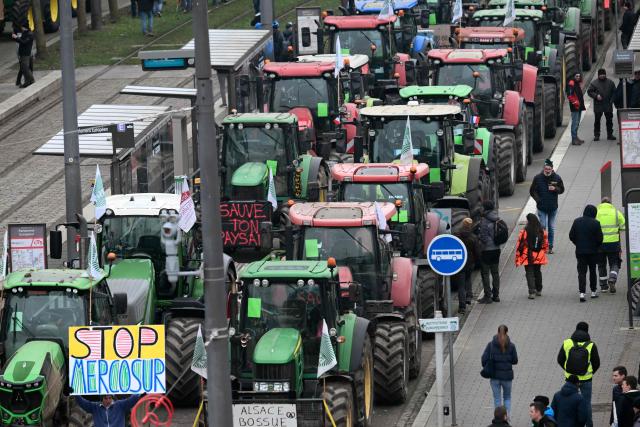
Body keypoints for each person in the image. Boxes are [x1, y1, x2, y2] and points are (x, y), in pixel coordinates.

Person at [557, 321, 601, 427]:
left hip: (570, 379)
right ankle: (589, 424)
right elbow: (596, 363)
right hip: (586, 379)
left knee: (569, 400)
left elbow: (560, 359)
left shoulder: (567, 342)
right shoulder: (591, 345)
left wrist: (568, 369)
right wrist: (589, 372)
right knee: (586, 403)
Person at [569, 205, 604, 301]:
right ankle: (593, 292)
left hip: (580, 252)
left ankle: (582, 293)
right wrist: (596, 246)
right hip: (593, 252)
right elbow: (600, 239)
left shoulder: (577, 221)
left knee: (581, 272)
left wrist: (578, 243)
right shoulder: (596, 223)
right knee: (593, 271)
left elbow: (571, 236)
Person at [481, 325, 518, 416]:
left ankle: (498, 419)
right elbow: (515, 361)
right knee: (507, 397)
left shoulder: (491, 345)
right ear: (507, 332)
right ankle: (507, 419)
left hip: (494, 377)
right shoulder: (512, 346)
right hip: (507, 377)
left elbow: (483, 359)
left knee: (497, 399)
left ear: (497, 332)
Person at [529, 159, 564, 253]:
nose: (547, 170)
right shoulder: (538, 178)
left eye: (549, 169)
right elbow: (532, 191)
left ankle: (550, 246)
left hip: (553, 207)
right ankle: (543, 245)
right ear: (544, 169)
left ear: (552, 169)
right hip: (542, 207)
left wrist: (555, 188)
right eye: (546, 169)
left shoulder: (557, 178)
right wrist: (538, 200)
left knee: (551, 228)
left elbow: (562, 190)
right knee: (543, 226)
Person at [515, 213, 548, 299]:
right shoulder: (541, 230)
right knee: (538, 272)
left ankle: (531, 292)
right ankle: (539, 289)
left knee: (529, 273)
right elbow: (545, 243)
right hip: (539, 255)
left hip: (528, 255)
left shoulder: (525, 230)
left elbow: (520, 243)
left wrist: (518, 255)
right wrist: (543, 251)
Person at [596, 197, 626, 293]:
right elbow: (623, 226)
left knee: (601, 264)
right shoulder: (616, 212)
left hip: (599, 244)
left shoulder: (596, 212)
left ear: (601, 203)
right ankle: (612, 279)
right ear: (610, 203)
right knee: (615, 263)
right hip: (613, 243)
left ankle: (603, 286)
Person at [453, 217, 480, 314]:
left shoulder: (456, 236)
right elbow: (477, 251)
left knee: (461, 285)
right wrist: (477, 261)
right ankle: (469, 296)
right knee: (468, 279)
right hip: (470, 262)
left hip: (459, 262)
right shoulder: (473, 237)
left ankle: (462, 307)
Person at [477, 200, 501, 304]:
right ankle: (496, 295)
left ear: (485, 208)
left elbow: (483, 236)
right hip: (497, 249)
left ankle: (487, 296)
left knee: (485, 273)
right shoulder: (496, 217)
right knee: (495, 273)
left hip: (487, 250)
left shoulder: (484, 220)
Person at [75, 394, 143, 427]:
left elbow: (132, 400)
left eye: (110, 398)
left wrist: (140, 391)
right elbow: (82, 403)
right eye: (105, 398)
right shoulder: (95, 407)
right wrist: (75, 394)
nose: (108, 400)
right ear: (102, 399)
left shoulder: (120, 405)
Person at [587, 69, 617, 141]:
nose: (602, 76)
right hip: (598, 105)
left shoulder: (610, 82)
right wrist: (596, 96)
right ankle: (597, 135)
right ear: (598, 75)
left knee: (609, 120)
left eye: (603, 74)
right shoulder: (594, 83)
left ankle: (610, 134)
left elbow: (614, 92)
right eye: (601, 74)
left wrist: (612, 100)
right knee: (597, 121)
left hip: (608, 104)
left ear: (605, 74)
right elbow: (589, 91)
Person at [11, 23, 34, 89]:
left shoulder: (29, 34)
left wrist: (17, 38)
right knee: (24, 68)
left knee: (25, 68)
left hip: (26, 54)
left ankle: (31, 80)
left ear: (24, 27)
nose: (21, 28)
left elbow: (24, 42)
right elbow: (20, 41)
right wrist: (15, 38)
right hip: (23, 53)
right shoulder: (25, 33)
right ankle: (26, 82)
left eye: (22, 27)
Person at [567, 73, 586, 145]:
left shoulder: (577, 83)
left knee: (577, 122)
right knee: (575, 123)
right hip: (575, 107)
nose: (578, 77)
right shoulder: (572, 84)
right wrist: (575, 102)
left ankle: (576, 138)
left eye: (579, 76)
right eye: (576, 76)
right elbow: (569, 95)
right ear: (574, 77)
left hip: (579, 107)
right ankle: (574, 139)